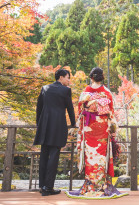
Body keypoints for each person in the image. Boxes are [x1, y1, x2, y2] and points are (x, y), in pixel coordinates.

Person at [66, 67, 127, 199]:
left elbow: (81, 110)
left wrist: (90, 105)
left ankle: (90, 185)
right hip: (102, 127)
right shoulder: (106, 92)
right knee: (100, 156)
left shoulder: (86, 91)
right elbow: (110, 112)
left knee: (90, 156)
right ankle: (102, 184)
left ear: (91, 77)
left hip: (89, 127)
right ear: (102, 77)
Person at [33, 68, 76, 196]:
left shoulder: (45, 88)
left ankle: (42, 186)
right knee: (54, 155)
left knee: (44, 155)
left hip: (44, 126)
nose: (69, 80)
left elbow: (39, 107)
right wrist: (73, 123)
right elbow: (70, 108)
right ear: (61, 77)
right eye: (68, 77)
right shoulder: (66, 90)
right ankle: (49, 187)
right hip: (57, 126)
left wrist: (38, 124)